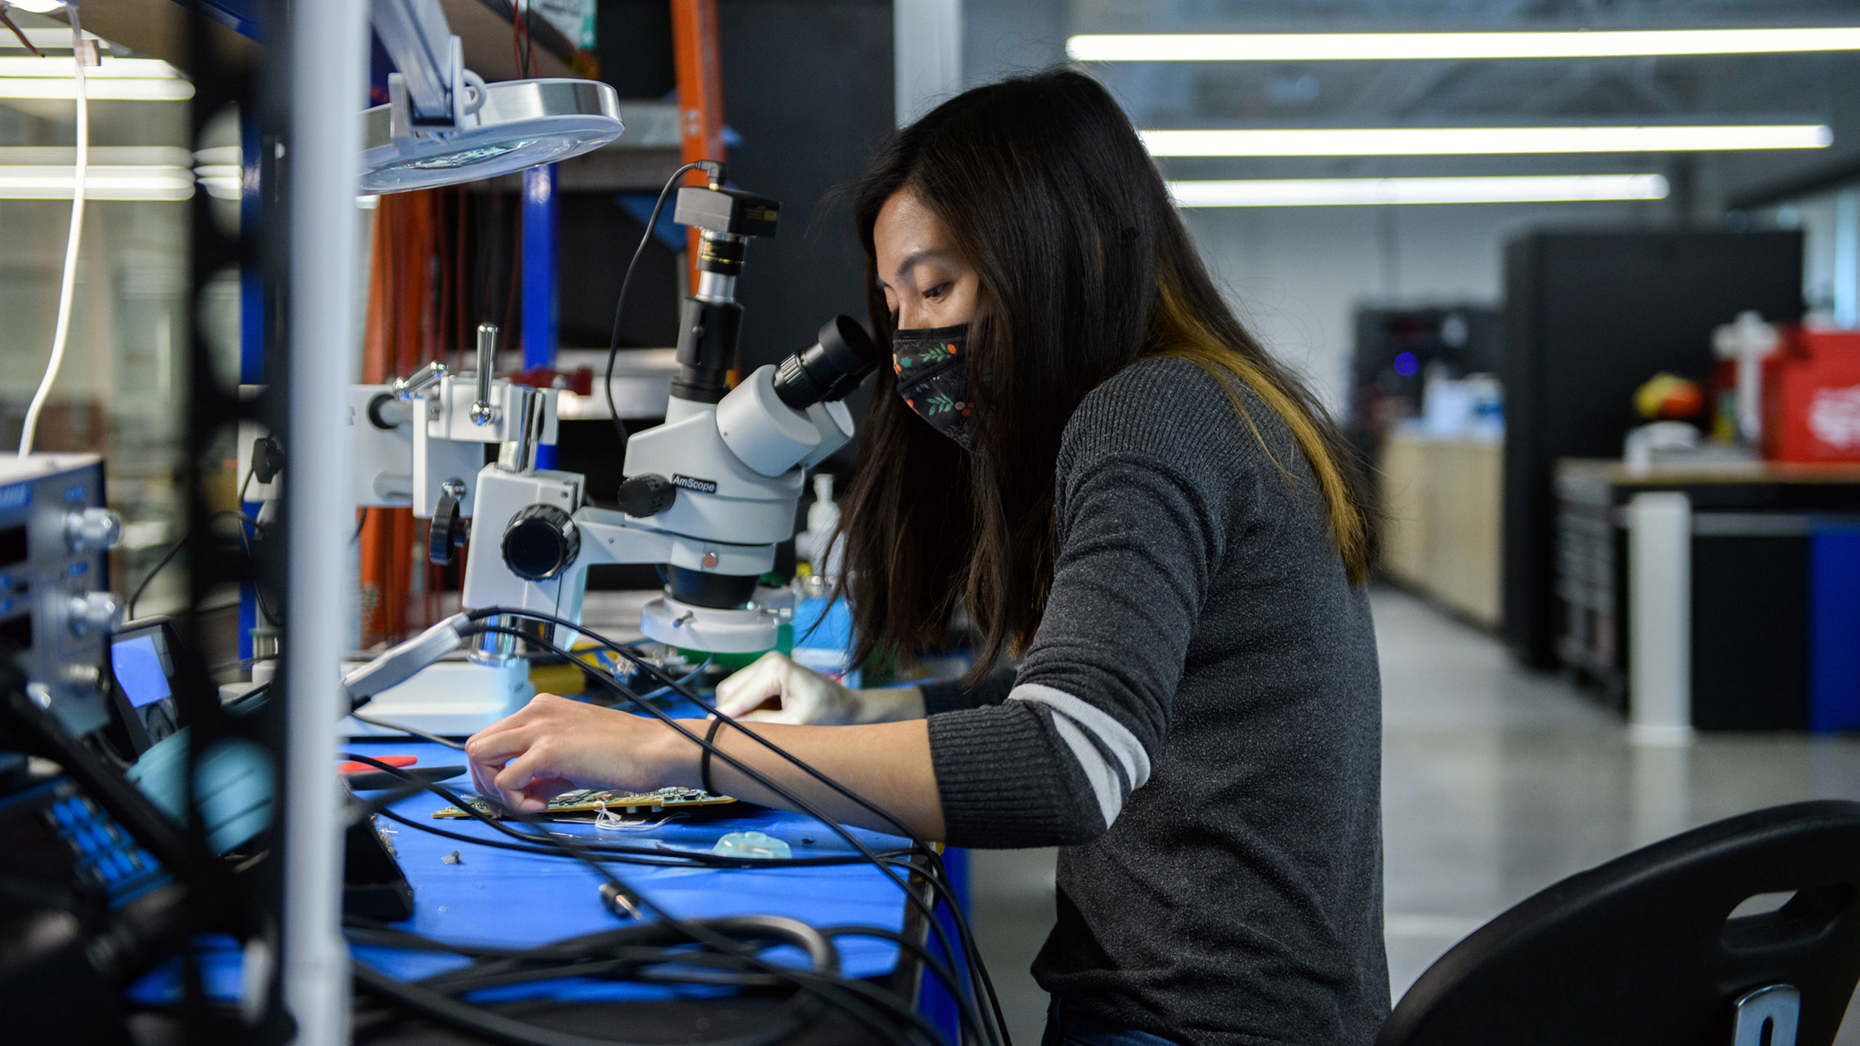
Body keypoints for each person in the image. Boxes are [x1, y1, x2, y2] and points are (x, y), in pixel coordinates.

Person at [465, 70, 1389, 1046]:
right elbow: (1081, 697)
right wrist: (863, 710)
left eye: (936, 287)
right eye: (896, 304)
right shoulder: (1209, 398)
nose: (911, 339)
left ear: (1050, 258)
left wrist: (672, 750)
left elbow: (1069, 761)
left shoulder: (1150, 417)